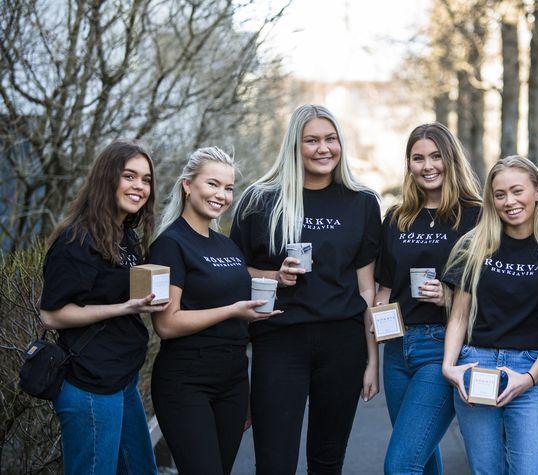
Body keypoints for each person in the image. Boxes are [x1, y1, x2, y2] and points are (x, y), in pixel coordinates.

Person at [230, 104, 381, 474]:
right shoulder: (260, 200)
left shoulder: (362, 203)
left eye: (330, 139)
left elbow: (367, 292)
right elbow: (233, 273)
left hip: (342, 344)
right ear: (294, 146)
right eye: (311, 140)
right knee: (274, 462)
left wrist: (372, 360)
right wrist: (273, 275)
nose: (323, 148)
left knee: (327, 461)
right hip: (279, 340)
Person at [148, 147, 281, 475]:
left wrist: (244, 389)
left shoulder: (227, 245)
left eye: (228, 187)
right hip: (186, 383)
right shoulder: (170, 244)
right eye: (213, 184)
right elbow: (167, 323)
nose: (222, 195)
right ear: (188, 185)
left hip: (232, 382)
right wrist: (233, 310)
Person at [441, 155, 538, 475]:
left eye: (517, 191)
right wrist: (450, 368)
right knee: (488, 471)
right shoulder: (473, 246)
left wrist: (530, 378)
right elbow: (459, 316)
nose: (509, 201)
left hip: (529, 370)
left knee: (531, 470)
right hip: (477, 367)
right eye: (500, 195)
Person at [39, 141, 164, 475]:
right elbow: (51, 314)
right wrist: (123, 308)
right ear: (107, 179)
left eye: (146, 179)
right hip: (89, 385)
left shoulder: (124, 236)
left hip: (121, 380)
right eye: (129, 176)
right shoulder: (78, 239)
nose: (139, 186)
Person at [376, 123, 482, 475]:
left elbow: (492, 287)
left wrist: (448, 296)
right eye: (418, 158)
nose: (427, 165)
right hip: (396, 348)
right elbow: (387, 288)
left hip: (441, 347)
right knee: (420, 456)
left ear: (450, 159)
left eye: (436, 156)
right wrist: (377, 313)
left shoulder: (475, 216)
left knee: (401, 464)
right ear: (408, 164)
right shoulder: (397, 217)